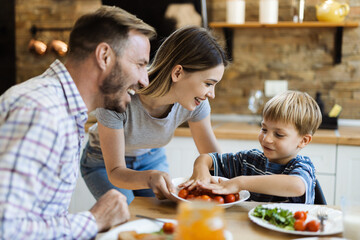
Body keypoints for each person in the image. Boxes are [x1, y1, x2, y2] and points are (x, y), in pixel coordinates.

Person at [0, 6, 156, 239]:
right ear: (104, 56)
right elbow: (5, 227)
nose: (144, 80)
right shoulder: (42, 112)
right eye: (140, 64)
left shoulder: (62, 109)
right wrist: (94, 219)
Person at [80, 26, 229, 204]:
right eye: (208, 83)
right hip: (103, 164)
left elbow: (215, 158)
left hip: (151, 158)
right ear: (178, 73)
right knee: (126, 217)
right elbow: (115, 171)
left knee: (163, 212)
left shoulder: (197, 103)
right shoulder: (117, 97)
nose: (211, 94)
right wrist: (149, 177)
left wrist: (226, 180)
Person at [183, 90, 322, 204]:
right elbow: (207, 158)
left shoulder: (303, 166)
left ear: (303, 141)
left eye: (279, 134)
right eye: (264, 129)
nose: (266, 139)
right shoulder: (248, 160)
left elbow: (296, 186)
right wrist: (201, 171)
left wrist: (239, 183)